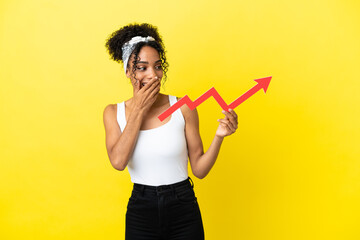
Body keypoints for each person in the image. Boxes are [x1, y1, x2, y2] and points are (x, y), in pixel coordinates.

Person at [103, 23, 238, 240]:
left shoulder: (183, 107)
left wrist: (219, 136)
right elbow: (118, 162)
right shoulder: (113, 113)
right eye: (142, 67)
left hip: (183, 206)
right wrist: (139, 109)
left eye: (158, 66)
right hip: (142, 209)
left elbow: (200, 170)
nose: (153, 75)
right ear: (128, 71)